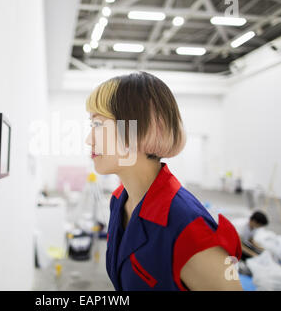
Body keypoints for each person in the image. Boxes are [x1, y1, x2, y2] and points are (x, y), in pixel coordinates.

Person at [84, 71, 242, 291]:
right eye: (91, 125)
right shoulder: (119, 200)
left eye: (99, 125)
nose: (88, 140)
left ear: (141, 128)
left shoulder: (191, 230)